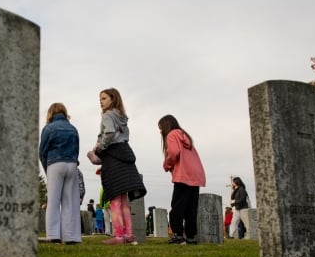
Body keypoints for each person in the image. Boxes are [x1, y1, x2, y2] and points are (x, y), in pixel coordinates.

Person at [88, 88, 146, 245]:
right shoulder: (121, 117)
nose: (101, 101)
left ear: (113, 100)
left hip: (113, 158)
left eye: (104, 98)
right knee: (124, 201)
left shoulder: (107, 115)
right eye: (100, 98)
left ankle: (119, 236)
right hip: (125, 155)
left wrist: (99, 148)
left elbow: (109, 133)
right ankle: (129, 235)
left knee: (114, 200)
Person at [158, 115, 206, 245]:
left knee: (177, 208)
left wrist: (167, 164)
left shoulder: (172, 134)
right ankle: (191, 237)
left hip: (183, 175)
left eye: (161, 128)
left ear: (166, 126)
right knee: (191, 208)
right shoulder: (186, 136)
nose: (160, 131)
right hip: (195, 176)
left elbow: (174, 152)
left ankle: (178, 235)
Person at [39, 103, 81, 244]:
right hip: (72, 164)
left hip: (55, 164)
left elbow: (42, 152)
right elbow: (77, 150)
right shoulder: (73, 129)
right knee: (70, 201)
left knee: (53, 201)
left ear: (50, 113)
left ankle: (53, 235)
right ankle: (71, 237)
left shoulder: (48, 128)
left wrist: (47, 169)